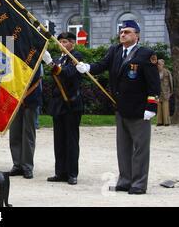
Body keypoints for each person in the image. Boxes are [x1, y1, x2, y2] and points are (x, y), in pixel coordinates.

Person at [76, 20, 160, 195]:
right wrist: (88, 67)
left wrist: (151, 107)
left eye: (127, 32)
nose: (123, 34)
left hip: (139, 110)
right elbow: (102, 65)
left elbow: (154, 84)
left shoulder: (146, 54)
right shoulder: (115, 51)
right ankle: (125, 180)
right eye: (121, 31)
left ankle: (138, 183)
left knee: (140, 148)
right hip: (121, 108)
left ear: (137, 35)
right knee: (123, 148)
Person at [42, 32, 83, 185]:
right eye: (59, 42)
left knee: (71, 140)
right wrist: (51, 63)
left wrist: (50, 64)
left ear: (73, 43)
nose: (61, 44)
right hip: (59, 104)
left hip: (71, 104)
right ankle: (60, 172)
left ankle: (72, 173)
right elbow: (55, 76)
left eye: (65, 42)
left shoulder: (76, 57)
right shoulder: (60, 58)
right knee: (59, 140)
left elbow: (68, 73)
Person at [9, 67, 42, 180]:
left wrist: (25, 94)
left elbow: (37, 78)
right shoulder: (15, 55)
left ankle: (27, 167)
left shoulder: (34, 54)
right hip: (15, 96)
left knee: (28, 135)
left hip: (31, 97)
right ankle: (17, 164)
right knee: (15, 133)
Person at [156, 59, 173, 126]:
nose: (158, 65)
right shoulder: (155, 72)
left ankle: (166, 122)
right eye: (158, 64)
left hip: (166, 92)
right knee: (158, 107)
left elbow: (171, 82)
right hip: (157, 92)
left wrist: (171, 91)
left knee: (165, 107)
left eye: (160, 64)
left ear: (163, 64)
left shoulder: (167, 72)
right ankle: (159, 122)